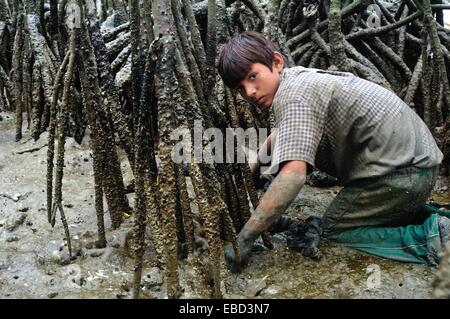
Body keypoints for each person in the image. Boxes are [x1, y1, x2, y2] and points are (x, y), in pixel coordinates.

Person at [217, 31, 450, 271]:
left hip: (403, 176)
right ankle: (428, 214)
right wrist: (253, 175)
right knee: (368, 213)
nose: (250, 92)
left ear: (276, 62)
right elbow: (282, 135)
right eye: (241, 88)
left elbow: (294, 176)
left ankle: (431, 238)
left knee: (335, 230)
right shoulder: (297, 81)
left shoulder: (293, 96)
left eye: (252, 77)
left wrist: (243, 240)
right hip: (419, 167)